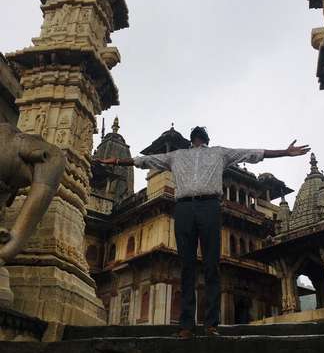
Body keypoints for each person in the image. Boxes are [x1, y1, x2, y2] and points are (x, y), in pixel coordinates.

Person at [96, 126, 310, 338]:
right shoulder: (212, 153)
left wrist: (116, 162)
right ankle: (206, 325)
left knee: (194, 266)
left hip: (192, 207)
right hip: (202, 207)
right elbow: (253, 153)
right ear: (205, 138)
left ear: (193, 139)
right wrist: (284, 152)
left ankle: (192, 326)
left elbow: (143, 162)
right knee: (205, 266)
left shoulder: (180, 155)